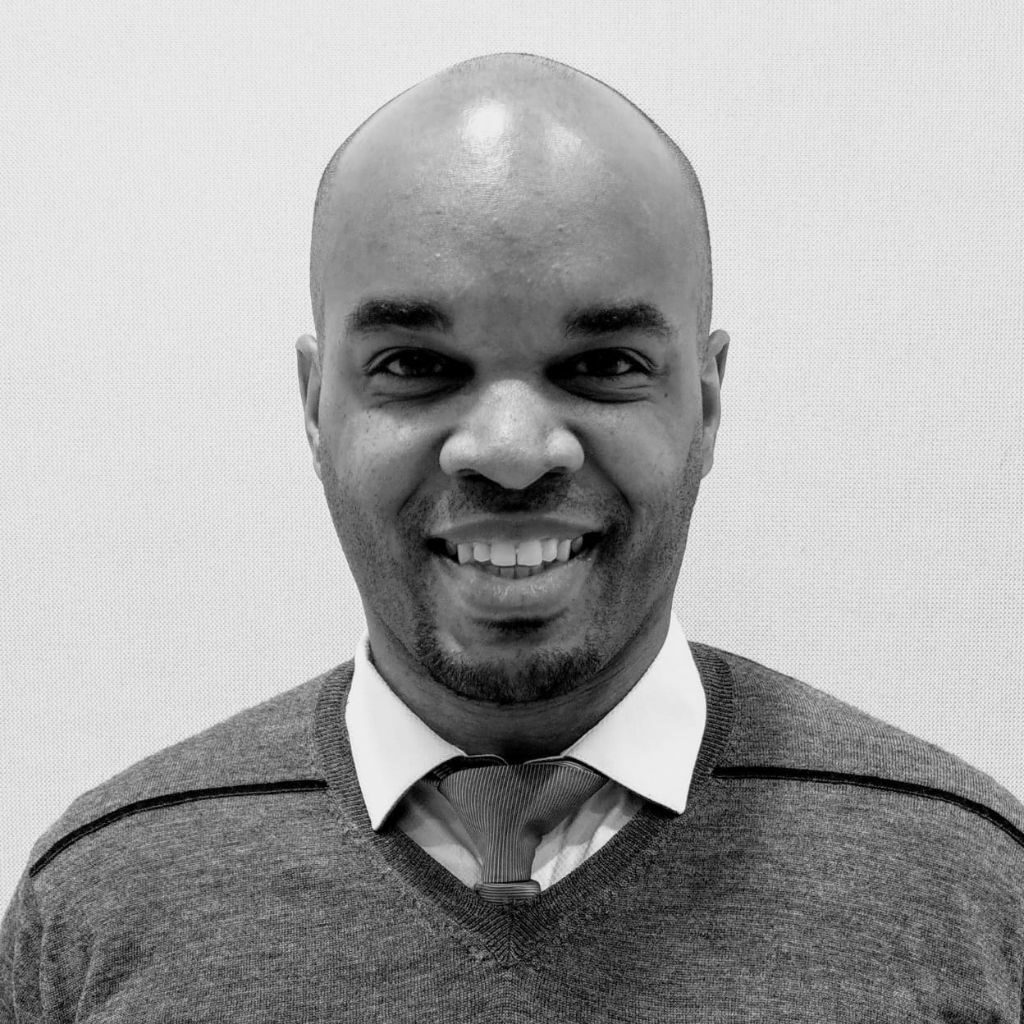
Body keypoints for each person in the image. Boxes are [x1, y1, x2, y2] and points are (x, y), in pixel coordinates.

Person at [2, 51, 1022, 1023]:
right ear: (315, 405)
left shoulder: (966, 892)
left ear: (707, 403)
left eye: (604, 364)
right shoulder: (102, 902)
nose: (512, 450)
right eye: (414, 365)